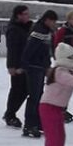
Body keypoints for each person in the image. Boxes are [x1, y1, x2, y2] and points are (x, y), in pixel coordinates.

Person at [20, 10, 57, 138]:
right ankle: (29, 125)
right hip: (34, 67)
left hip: (39, 67)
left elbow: (45, 52)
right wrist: (25, 65)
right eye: (53, 21)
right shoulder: (39, 31)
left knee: (39, 95)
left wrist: (47, 66)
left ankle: (37, 122)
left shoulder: (45, 31)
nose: (54, 24)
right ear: (47, 20)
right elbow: (30, 49)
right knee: (34, 96)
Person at [3, 5, 31, 129]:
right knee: (17, 90)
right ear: (18, 15)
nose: (27, 16)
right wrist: (11, 66)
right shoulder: (14, 29)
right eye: (25, 14)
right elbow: (12, 49)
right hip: (17, 64)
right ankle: (10, 114)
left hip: (26, 64)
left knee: (25, 90)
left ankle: (10, 113)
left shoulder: (27, 27)